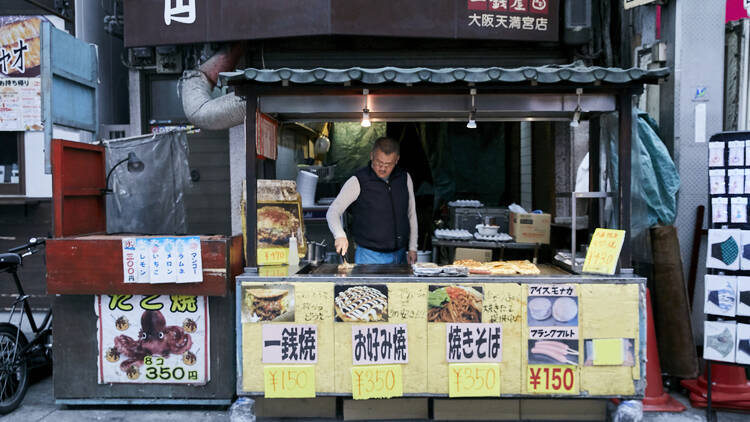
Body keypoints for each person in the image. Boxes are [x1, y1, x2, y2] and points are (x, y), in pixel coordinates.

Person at [326, 137, 418, 264]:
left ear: (397, 160)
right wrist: (339, 235)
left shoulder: (404, 178)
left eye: (388, 164)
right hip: (369, 256)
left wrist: (413, 248)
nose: (383, 168)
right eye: (379, 163)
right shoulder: (358, 180)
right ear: (371, 156)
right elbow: (333, 211)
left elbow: (411, 214)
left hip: (400, 255)